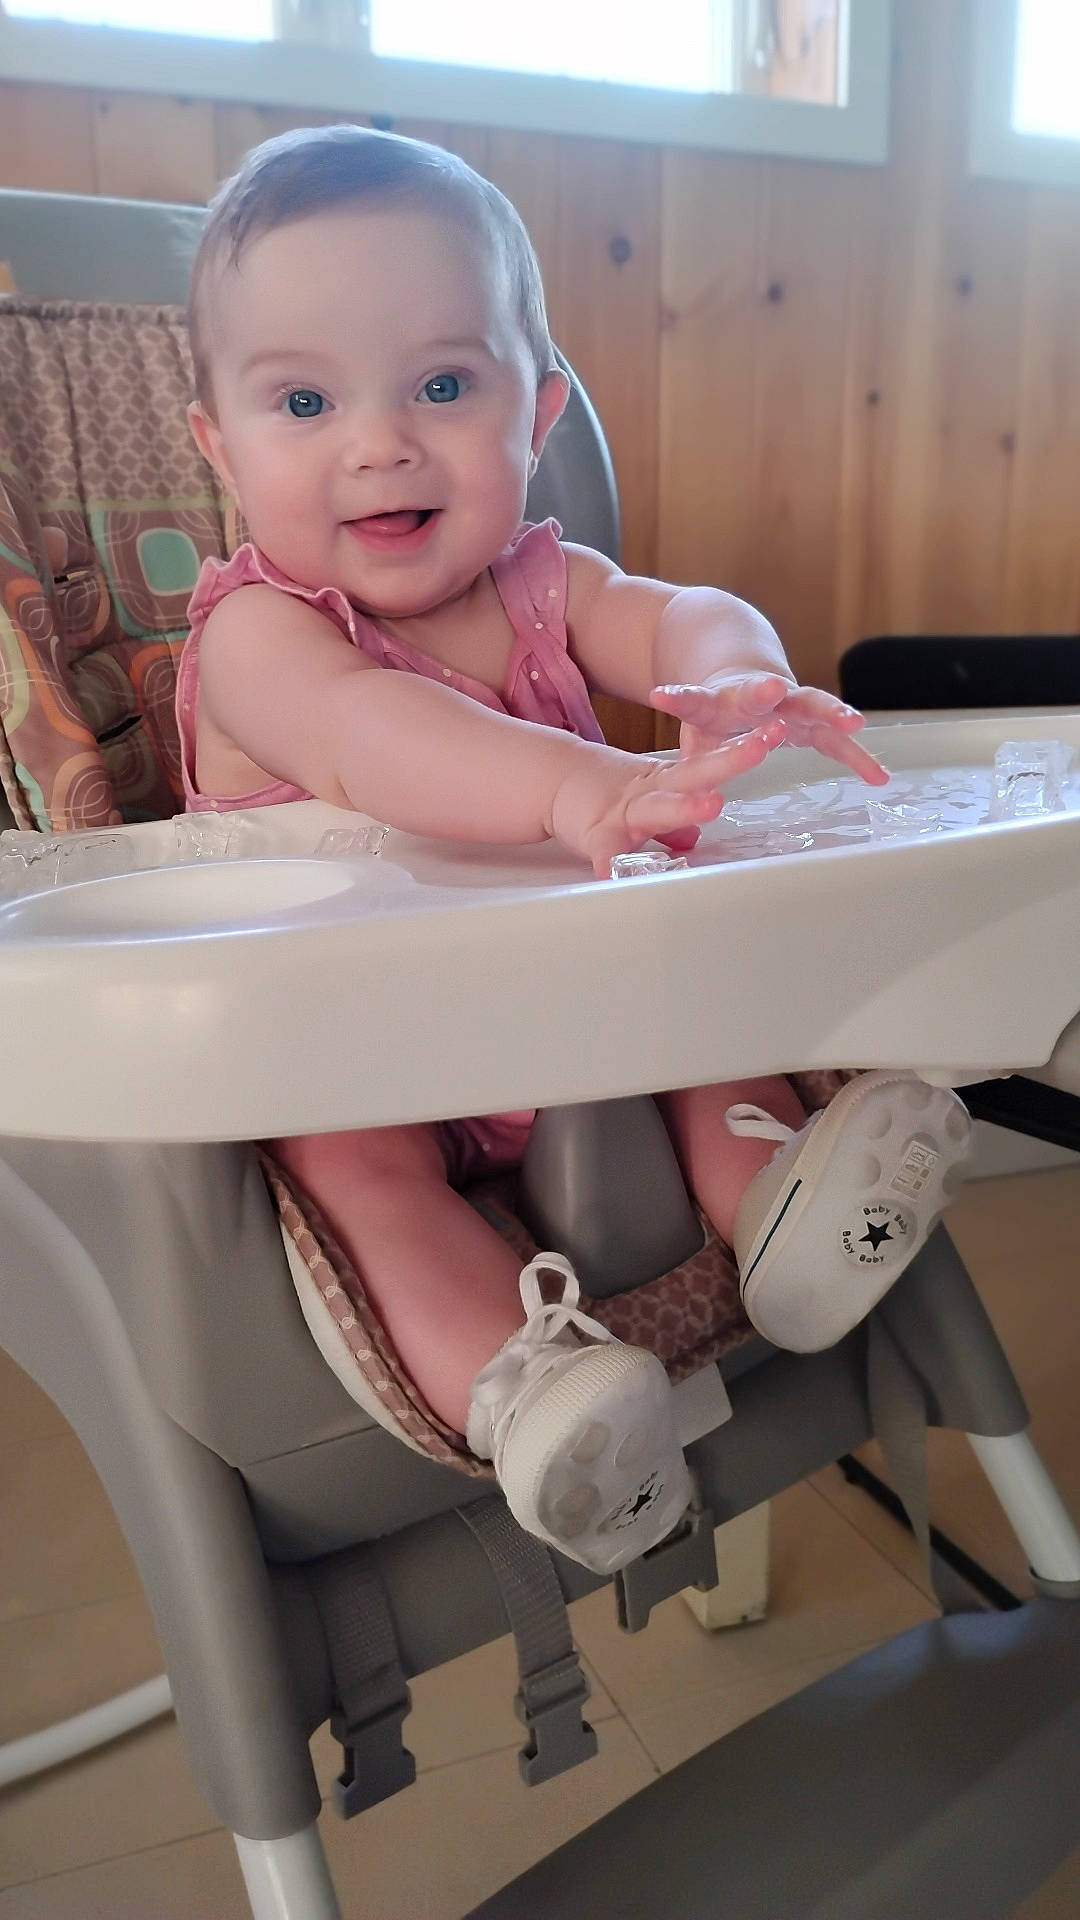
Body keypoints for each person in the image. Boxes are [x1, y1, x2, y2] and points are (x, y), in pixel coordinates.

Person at [177, 124, 972, 1575]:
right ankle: (536, 1391)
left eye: (441, 384)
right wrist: (576, 786)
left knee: (702, 1030)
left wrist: (736, 673)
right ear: (220, 452)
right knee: (361, 1178)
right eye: (304, 399)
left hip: (586, 1020)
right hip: (359, 1054)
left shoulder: (545, 583)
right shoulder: (256, 635)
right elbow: (366, 734)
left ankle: (786, 1213)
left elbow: (681, 611)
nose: (379, 439)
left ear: (532, 414)